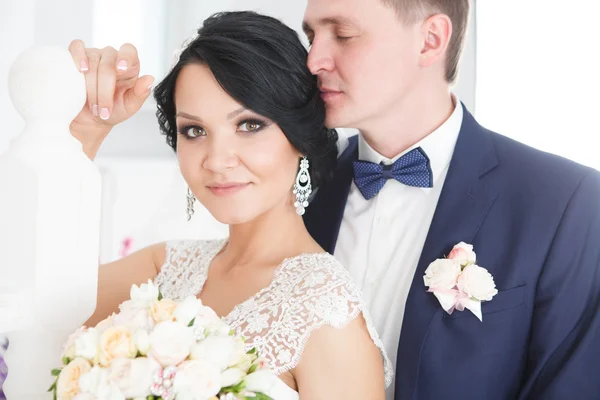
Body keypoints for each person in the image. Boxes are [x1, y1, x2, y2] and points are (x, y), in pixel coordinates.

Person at [69, 11, 392, 400]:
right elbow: (33, 302)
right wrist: (82, 134)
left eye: (249, 125)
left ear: (300, 137)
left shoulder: (326, 315)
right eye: (195, 131)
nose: (217, 159)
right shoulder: (164, 269)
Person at [300, 0, 600, 399]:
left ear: (430, 40)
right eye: (311, 37)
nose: (313, 60)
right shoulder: (297, 189)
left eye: (343, 35)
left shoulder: (567, 203)